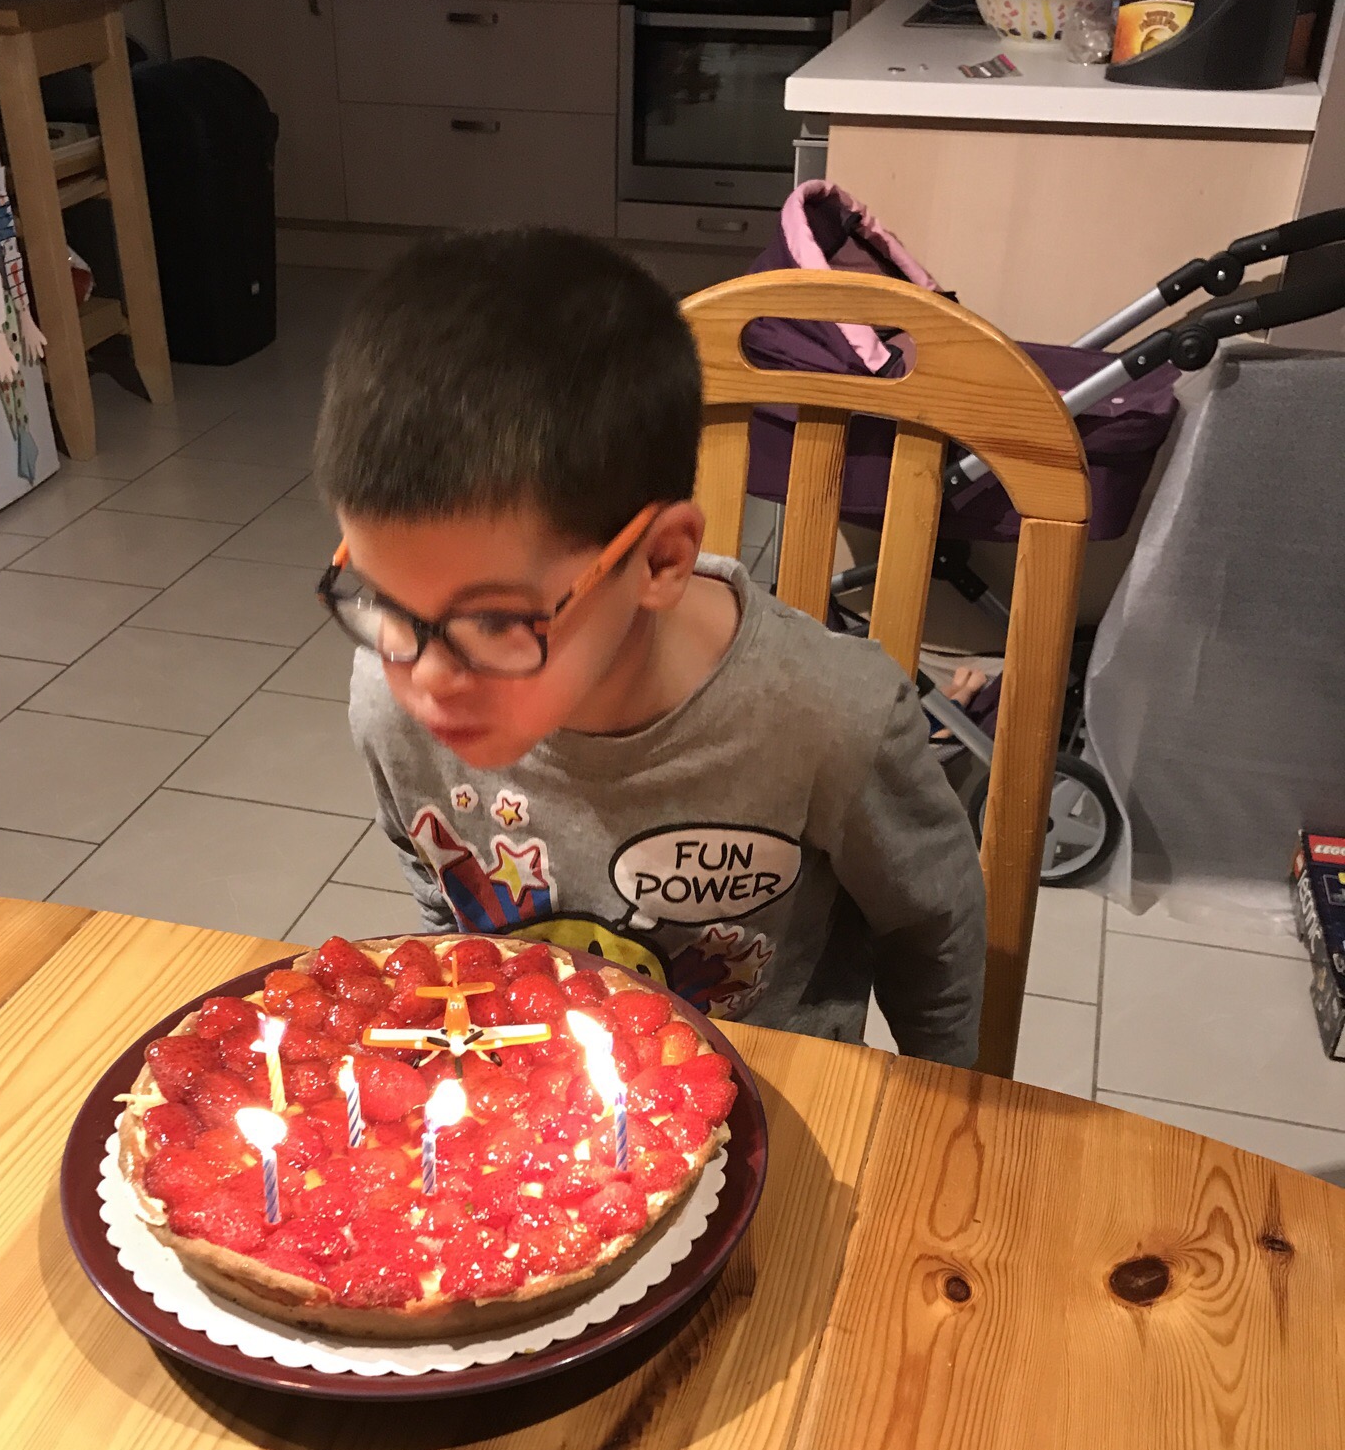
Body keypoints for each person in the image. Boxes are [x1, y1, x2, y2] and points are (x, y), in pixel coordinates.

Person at [318, 228, 986, 1063]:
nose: (425, 680)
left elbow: (935, 934)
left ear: (662, 560)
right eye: (384, 603)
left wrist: (949, 1108)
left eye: (492, 622)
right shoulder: (388, 707)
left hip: (770, 1094)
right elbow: (439, 890)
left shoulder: (828, 722)